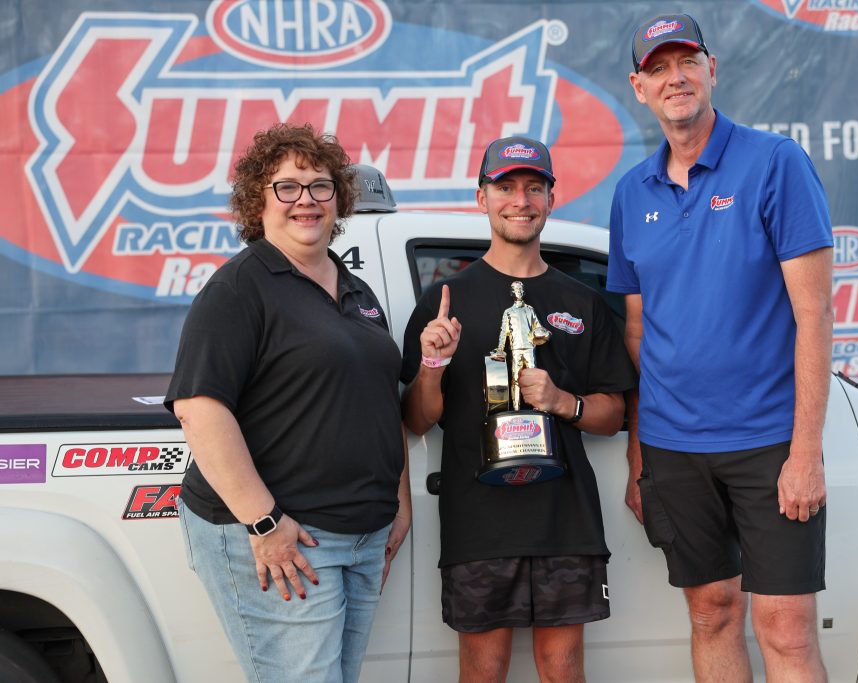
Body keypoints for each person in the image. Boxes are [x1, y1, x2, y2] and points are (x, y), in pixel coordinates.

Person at [607, 13, 835, 683]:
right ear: (639, 87)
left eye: (687, 62)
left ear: (712, 69)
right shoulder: (630, 193)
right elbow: (637, 333)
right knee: (710, 613)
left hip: (768, 442)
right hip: (674, 449)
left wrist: (805, 453)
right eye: (658, 68)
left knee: (786, 628)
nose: (675, 78)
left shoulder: (775, 162)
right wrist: (640, 452)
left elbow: (815, 315)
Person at [165, 123, 410, 683]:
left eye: (321, 185)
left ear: (338, 199)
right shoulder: (239, 288)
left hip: (361, 535)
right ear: (259, 200)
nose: (307, 199)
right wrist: (266, 522)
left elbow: (378, 399)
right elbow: (199, 409)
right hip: (288, 536)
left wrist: (399, 504)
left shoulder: (354, 289)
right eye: (288, 187)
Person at [401, 136, 636, 682]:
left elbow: (613, 414)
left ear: (551, 199)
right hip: (478, 519)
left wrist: (562, 401)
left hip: (564, 517)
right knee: (483, 671)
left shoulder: (580, 300)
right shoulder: (445, 301)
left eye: (534, 188)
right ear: (481, 198)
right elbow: (415, 418)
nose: (520, 201)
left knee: (563, 669)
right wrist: (433, 364)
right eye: (505, 187)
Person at [491, 280, 551, 410]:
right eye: (516, 290)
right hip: (516, 349)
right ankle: (516, 408)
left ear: (523, 292)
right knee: (516, 378)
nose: (519, 292)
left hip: (529, 347)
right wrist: (500, 348)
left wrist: (545, 334)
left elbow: (538, 326)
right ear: (512, 293)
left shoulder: (530, 310)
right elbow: (504, 332)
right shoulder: (508, 312)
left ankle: (536, 406)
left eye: (520, 289)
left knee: (534, 378)